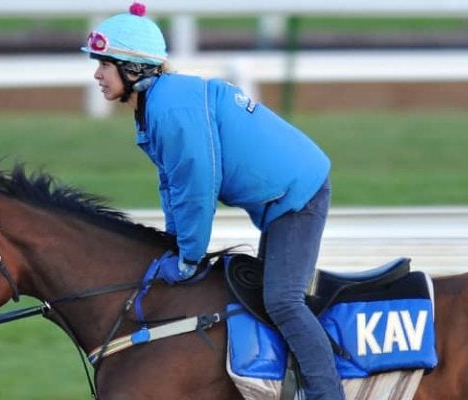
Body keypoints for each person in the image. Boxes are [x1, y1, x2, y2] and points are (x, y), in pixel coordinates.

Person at [82, 3, 343, 399]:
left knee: (282, 300)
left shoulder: (169, 109)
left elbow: (197, 189)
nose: (97, 75)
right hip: (284, 197)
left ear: (133, 68)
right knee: (265, 296)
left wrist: (188, 256)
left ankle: (328, 393)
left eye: (104, 64)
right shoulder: (157, 106)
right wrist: (175, 244)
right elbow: (172, 184)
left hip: (298, 196)